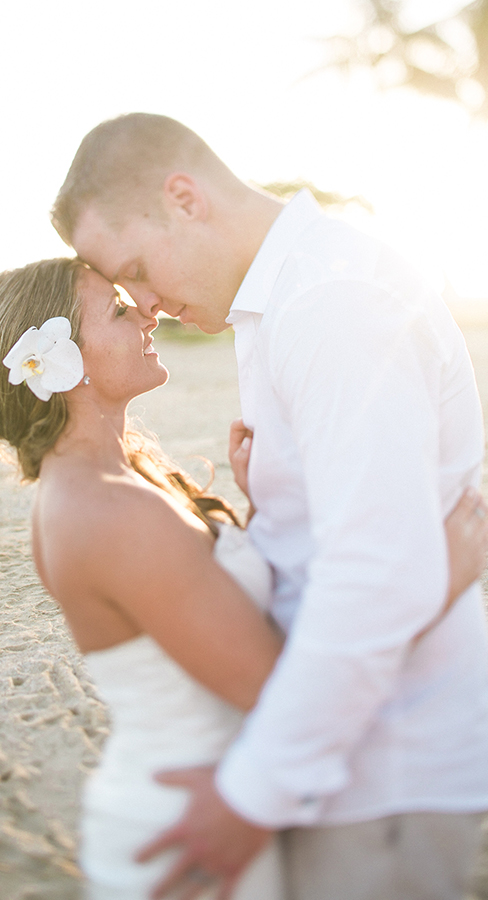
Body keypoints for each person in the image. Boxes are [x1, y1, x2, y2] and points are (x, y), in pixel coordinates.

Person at [50, 113, 488, 899]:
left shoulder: (330, 304)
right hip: (343, 754)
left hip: (384, 770)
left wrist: (251, 796)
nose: (145, 304)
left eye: (138, 269)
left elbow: (376, 575)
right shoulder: (287, 297)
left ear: (183, 198)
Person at [0, 258, 488, 899]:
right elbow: (281, 686)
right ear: (62, 361)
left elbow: (208, 600)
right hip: (190, 834)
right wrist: (440, 582)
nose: (148, 311)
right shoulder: (107, 510)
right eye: (120, 310)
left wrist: (264, 506)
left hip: (207, 799)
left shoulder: (112, 482)